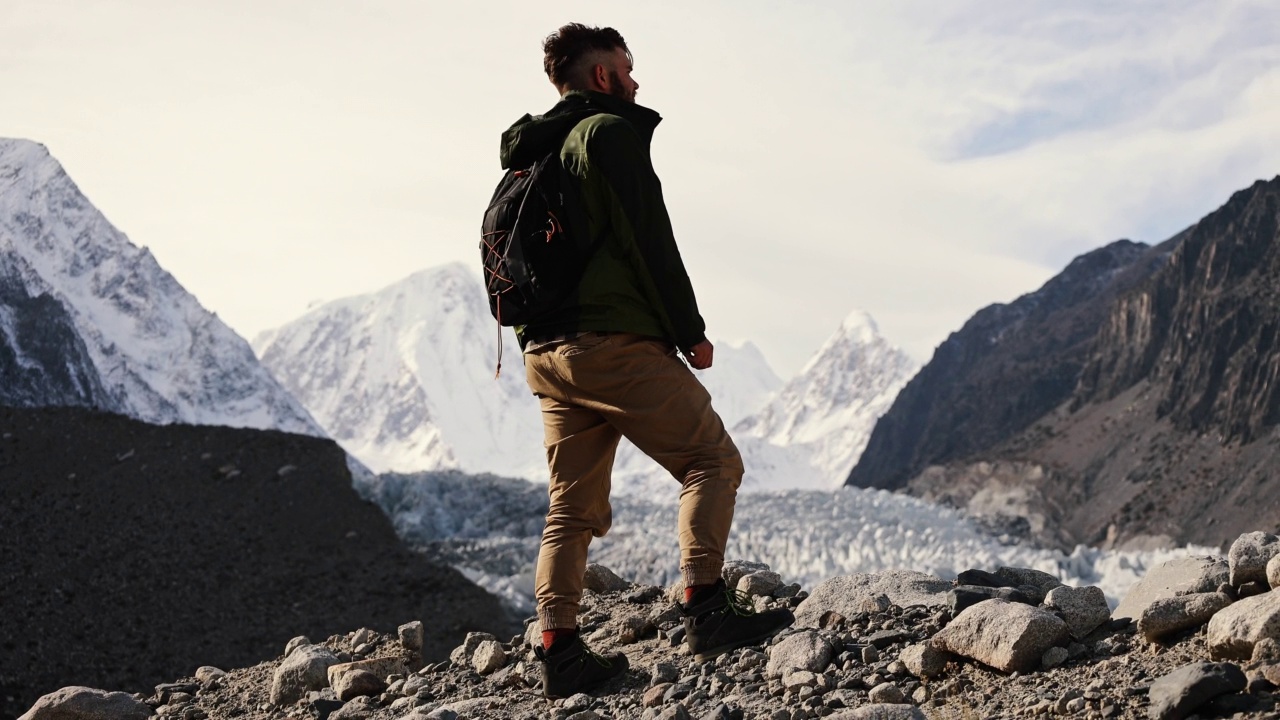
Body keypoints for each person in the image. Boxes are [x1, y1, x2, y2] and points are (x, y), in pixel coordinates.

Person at [498, 23, 794, 698]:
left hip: (545, 352)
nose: (636, 82)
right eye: (627, 69)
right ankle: (705, 608)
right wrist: (689, 329)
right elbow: (650, 238)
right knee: (711, 461)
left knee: (570, 508)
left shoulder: (528, 157)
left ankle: (561, 649)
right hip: (610, 342)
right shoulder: (608, 134)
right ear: (602, 76)